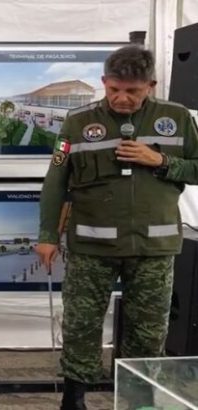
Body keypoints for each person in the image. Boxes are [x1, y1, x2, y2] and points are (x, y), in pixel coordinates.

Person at [36, 45, 198, 410]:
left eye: (133, 91)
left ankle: (139, 399)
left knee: (148, 330)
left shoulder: (177, 117)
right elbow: (55, 182)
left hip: (153, 249)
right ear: (103, 83)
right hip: (91, 248)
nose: (122, 98)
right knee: (81, 325)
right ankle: (75, 398)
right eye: (114, 90)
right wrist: (47, 236)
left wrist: (161, 160)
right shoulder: (77, 122)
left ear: (151, 85)